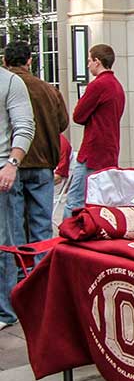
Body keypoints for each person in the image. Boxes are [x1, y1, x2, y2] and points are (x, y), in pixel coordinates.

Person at [4, 41, 68, 250]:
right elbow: (63, 123)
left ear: (5, 61)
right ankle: (41, 266)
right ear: (30, 61)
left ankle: (19, 267)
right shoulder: (48, 89)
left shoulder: (6, 87)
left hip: (12, 163)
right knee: (42, 225)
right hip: (43, 161)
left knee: (14, 227)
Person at [63, 44, 125, 217]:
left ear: (97, 61)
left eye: (89, 60)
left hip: (93, 151)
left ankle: (68, 231)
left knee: (75, 200)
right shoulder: (117, 85)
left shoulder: (98, 85)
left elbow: (78, 115)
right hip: (110, 150)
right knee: (101, 202)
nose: (88, 64)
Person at [0, 63, 34, 330]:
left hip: (1, 172)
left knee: (3, 244)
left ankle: (5, 311)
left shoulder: (10, 82)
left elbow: (24, 127)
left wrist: (12, 164)